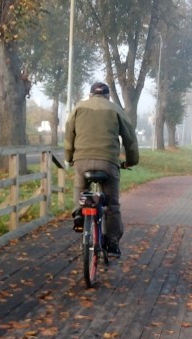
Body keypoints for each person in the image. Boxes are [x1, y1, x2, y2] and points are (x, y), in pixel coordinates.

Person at [64, 81, 140, 257]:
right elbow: (130, 139)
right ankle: (112, 242)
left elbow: (69, 135)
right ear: (107, 96)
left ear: (90, 95)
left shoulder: (78, 108)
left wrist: (69, 157)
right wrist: (131, 161)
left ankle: (79, 213)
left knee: (80, 189)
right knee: (112, 204)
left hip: (82, 161)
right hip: (108, 162)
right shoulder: (115, 109)